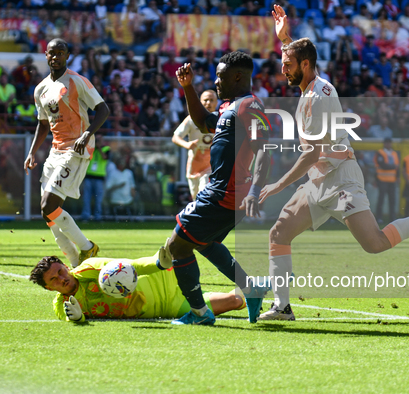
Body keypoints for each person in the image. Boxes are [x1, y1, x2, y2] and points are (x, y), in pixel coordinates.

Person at [255, 5, 409, 322]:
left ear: (306, 65)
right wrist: (285, 37)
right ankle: (282, 307)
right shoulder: (309, 83)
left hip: (341, 179)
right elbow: (296, 55)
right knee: (279, 233)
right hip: (319, 181)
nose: (282, 69)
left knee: (375, 244)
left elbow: (312, 153)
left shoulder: (316, 97)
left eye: (287, 64)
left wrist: (279, 185)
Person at [165, 51, 272, 325]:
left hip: (226, 194)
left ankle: (200, 314)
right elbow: (203, 122)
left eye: (221, 76)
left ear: (238, 76)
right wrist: (188, 87)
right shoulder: (229, 107)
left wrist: (254, 191)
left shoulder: (250, 106)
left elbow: (264, 152)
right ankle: (251, 288)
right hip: (222, 191)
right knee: (205, 242)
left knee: (178, 246)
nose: (215, 81)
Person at [24, 38, 110, 268]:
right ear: (46, 55)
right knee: (47, 213)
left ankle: (87, 248)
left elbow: (103, 109)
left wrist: (87, 134)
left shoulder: (77, 81)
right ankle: (74, 263)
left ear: (67, 56)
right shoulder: (40, 89)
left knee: (48, 206)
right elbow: (43, 124)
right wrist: (32, 152)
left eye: (61, 53)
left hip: (76, 148)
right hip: (55, 150)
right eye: (52, 53)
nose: (56, 57)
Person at [29, 249, 247, 322]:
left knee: (182, 243)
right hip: (171, 306)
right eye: (54, 280)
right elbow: (69, 318)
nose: (61, 278)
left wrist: (158, 263)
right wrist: (77, 319)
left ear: (66, 266)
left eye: (61, 271)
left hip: (163, 277)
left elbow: (130, 267)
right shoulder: (62, 306)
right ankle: (254, 288)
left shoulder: (89, 268)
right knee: (236, 301)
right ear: (49, 288)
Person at [171, 89, 218, 200]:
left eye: (212, 100)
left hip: (211, 167)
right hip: (194, 167)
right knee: (196, 199)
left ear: (217, 103)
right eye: (206, 100)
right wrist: (187, 144)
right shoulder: (191, 119)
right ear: (200, 102)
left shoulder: (221, 120)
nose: (208, 103)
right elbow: (175, 137)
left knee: (204, 194)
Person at [81, 134, 110, 221]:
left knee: (98, 199)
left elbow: (105, 157)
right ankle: (86, 216)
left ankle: (98, 217)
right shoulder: (91, 149)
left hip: (99, 178)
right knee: (86, 198)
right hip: (89, 177)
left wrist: (99, 148)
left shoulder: (106, 149)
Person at [374, 137, 399, 223]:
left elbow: (397, 167)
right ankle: (379, 217)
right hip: (382, 179)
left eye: (389, 143)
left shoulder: (394, 153)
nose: (388, 144)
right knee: (381, 200)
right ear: (384, 144)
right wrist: (393, 167)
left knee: (392, 200)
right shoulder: (380, 153)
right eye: (387, 143)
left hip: (392, 180)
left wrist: (397, 176)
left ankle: (392, 218)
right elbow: (382, 165)